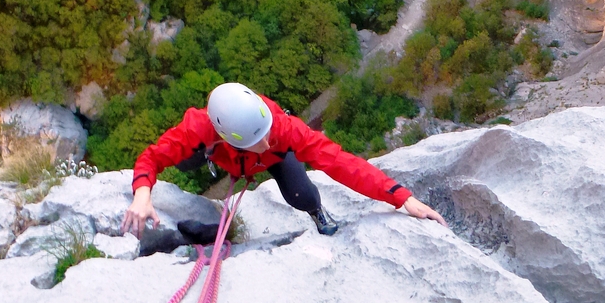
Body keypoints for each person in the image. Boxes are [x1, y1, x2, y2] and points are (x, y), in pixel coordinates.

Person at [123, 82, 446, 238]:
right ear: (224, 134)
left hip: (271, 162)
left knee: (300, 194)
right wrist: (142, 194)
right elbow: (152, 157)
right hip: (220, 153)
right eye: (255, 140)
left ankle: (318, 212)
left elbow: (340, 162)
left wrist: (402, 198)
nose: (265, 142)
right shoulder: (198, 129)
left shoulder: (282, 131)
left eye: (265, 134)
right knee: (182, 160)